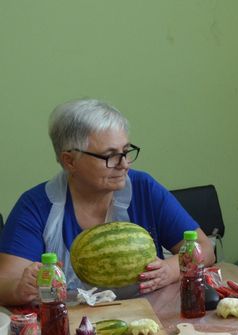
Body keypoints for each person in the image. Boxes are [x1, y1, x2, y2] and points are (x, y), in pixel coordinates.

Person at [0, 98, 215, 306]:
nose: (124, 164)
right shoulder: (36, 206)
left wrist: (171, 269)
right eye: (110, 156)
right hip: (71, 333)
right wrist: (20, 287)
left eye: (126, 151)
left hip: (149, 321)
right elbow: (4, 283)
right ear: (70, 160)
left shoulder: (144, 188)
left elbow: (205, 249)